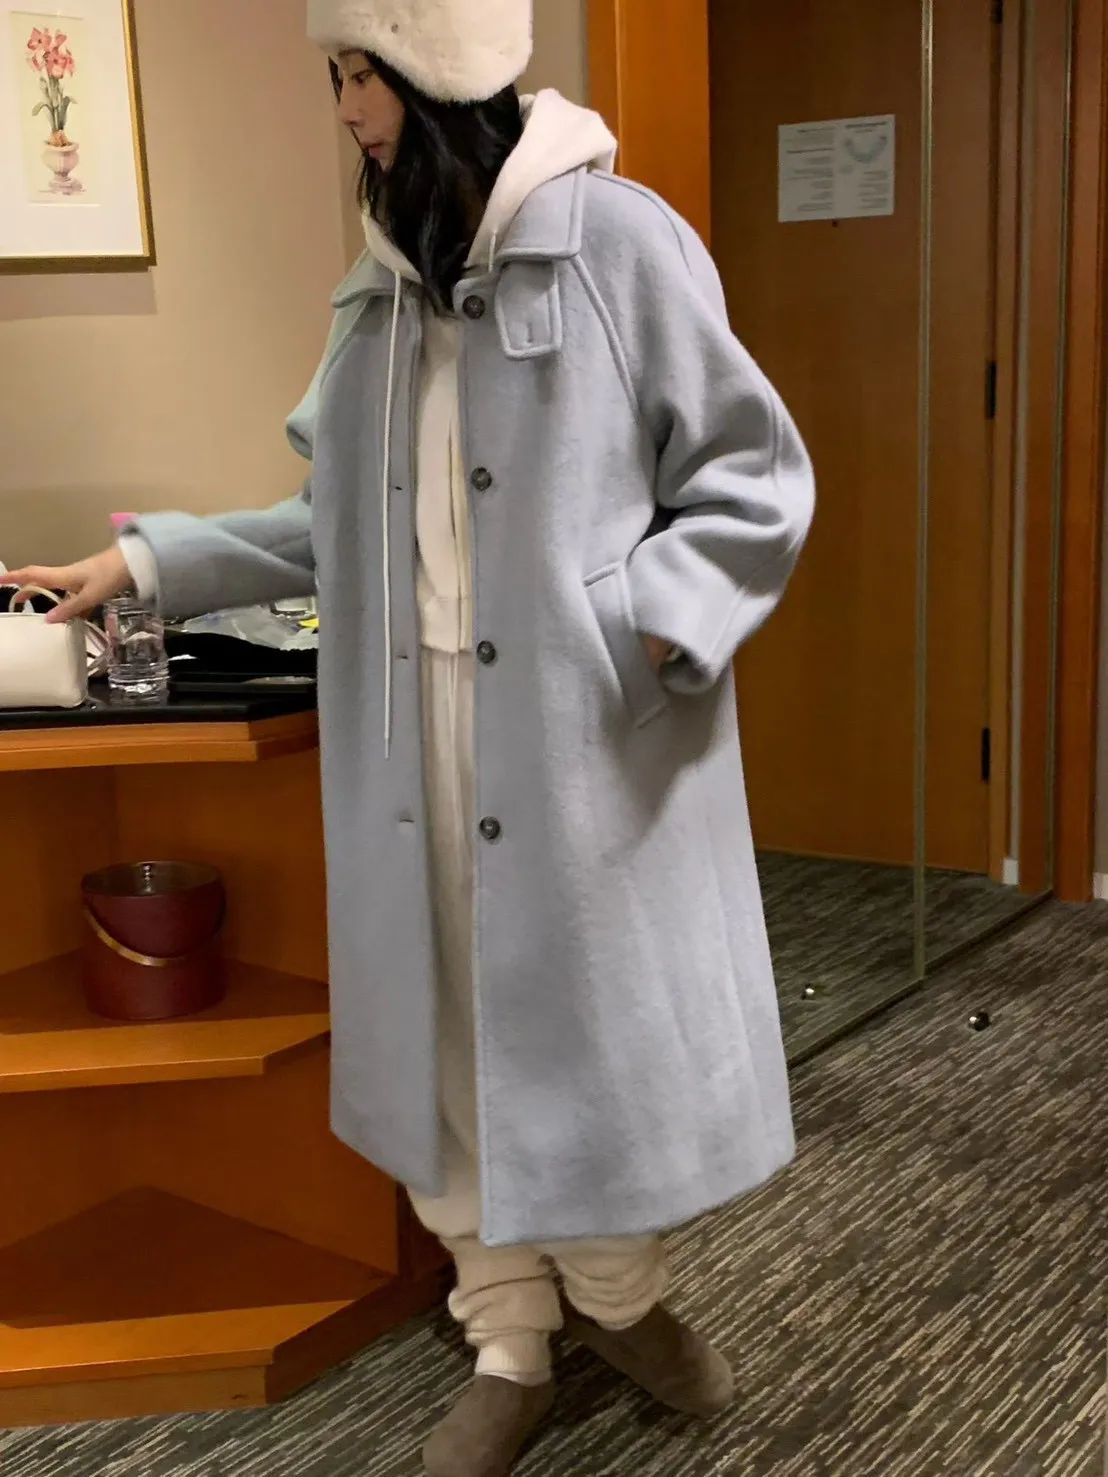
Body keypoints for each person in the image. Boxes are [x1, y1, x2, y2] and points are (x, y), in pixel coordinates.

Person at [7, 2, 815, 1472]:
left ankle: (622, 1302)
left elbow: (753, 477)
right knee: (446, 1035)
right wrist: (138, 562)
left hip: (582, 736)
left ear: (441, 74)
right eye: (335, 75)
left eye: (360, 73)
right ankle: (508, 1341)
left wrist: (645, 629)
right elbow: (321, 523)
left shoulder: (621, 244)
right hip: (406, 735)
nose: (344, 108)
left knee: (585, 1038)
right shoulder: (374, 297)